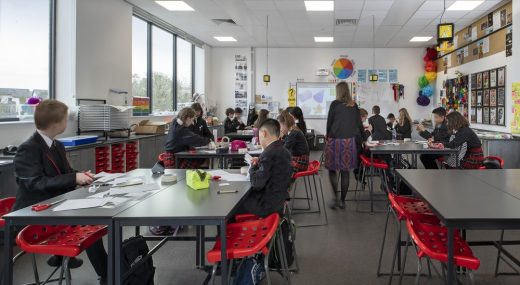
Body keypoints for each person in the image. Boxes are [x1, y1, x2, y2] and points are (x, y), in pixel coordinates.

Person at [12, 100, 107, 284]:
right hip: (33, 211)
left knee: (94, 214)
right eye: (66, 119)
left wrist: (81, 175)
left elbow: (65, 173)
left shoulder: (57, 145)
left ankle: (62, 257)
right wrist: (74, 178)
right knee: (91, 220)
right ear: (56, 124)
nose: (67, 121)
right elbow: (35, 183)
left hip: (55, 204)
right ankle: (107, 273)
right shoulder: (28, 148)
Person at [237, 119, 293, 217]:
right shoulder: (284, 150)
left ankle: (227, 231)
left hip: (266, 205)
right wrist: (260, 162)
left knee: (233, 206)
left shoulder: (268, 153)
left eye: (259, 135)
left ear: (263, 133)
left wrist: (253, 167)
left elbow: (256, 183)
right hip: (278, 201)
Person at [325, 82, 364, 209]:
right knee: (345, 172)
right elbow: (359, 125)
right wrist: (363, 139)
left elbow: (329, 122)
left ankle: (335, 198)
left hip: (335, 140)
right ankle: (342, 201)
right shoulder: (354, 106)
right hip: (349, 142)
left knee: (332, 170)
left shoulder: (335, 104)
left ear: (338, 91)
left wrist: (327, 136)